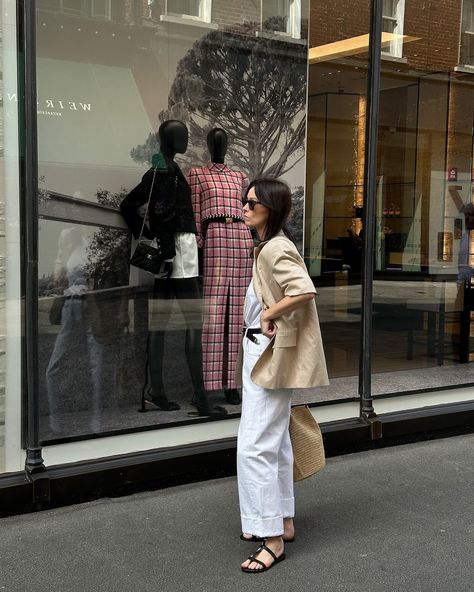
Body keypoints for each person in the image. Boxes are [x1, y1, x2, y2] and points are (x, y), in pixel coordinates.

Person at [236, 178, 328, 573]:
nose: (244, 206)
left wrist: (270, 315)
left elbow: (304, 290)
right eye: (244, 200)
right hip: (261, 348)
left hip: (266, 352)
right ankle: (283, 522)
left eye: (252, 202)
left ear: (269, 209)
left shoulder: (275, 248)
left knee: (254, 446)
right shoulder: (267, 247)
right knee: (273, 442)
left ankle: (269, 538)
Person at [189, 127, 253, 405]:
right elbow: (194, 211)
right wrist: (198, 240)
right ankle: (208, 383)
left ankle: (234, 383)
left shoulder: (239, 177)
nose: (219, 145)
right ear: (208, 145)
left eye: (223, 140)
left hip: (240, 237)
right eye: (215, 141)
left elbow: (248, 209)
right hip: (214, 236)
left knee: (239, 310)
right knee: (214, 311)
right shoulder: (197, 174)